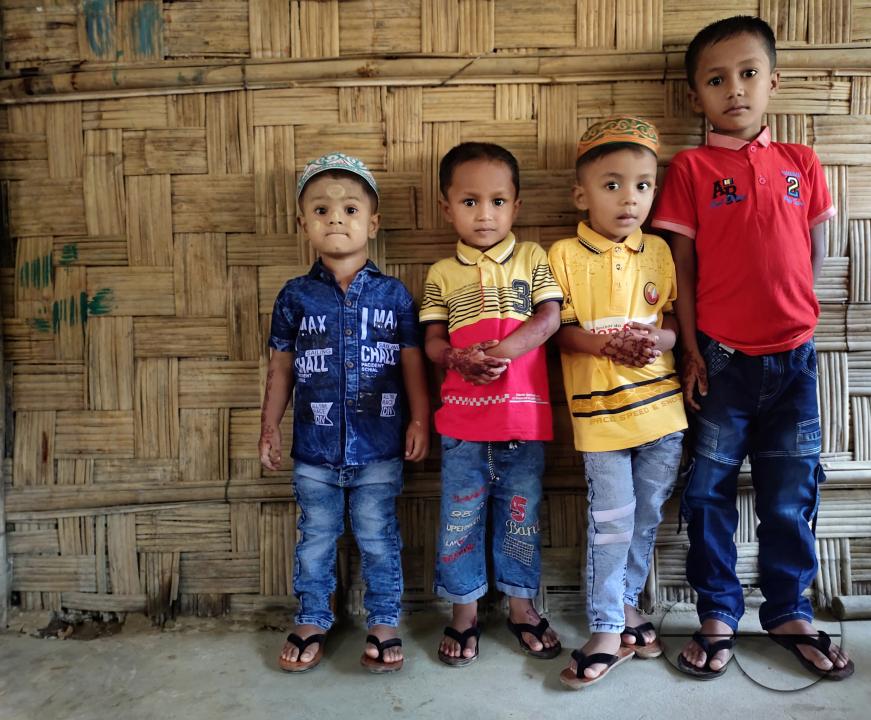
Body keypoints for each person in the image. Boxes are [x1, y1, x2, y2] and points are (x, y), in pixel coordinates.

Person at [651, 15, 853, 680]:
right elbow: (681, 263)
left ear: (772, 80)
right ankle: (716, 612)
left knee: (789, 490)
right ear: (694, 97)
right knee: (707, 489)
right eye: (715, 80)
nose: (733, 89)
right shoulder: (690, 168)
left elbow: (815, 250)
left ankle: (788, 609)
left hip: (794, 359)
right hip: (722, 358)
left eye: (746, 74)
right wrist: (690, 347)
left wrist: (801, 313)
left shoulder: (800, 162)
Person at [259, 152, 430, 674]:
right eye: (321, 209)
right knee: (315, 539)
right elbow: (281, 370)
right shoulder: (294, 297)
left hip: (380, 446)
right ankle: (312, 616)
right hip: (313, 449)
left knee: (379, 536)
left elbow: (412, 366)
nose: (336, 218)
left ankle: (383, 621)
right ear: (302, 222)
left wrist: (420, 419)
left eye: (350, 209)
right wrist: (269, 425)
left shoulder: (394, 294)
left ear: (372, 223)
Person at [547, 116, 687, 689]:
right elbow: (559, 330)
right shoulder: (561, 255)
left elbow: (674, 319)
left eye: (643, 185)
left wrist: (660, 340)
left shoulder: (658, 250)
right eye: (612, 184)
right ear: (581, 193)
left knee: (646, 518)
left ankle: (628, 606)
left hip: (664, 411)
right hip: (601, 419)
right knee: (611, 522)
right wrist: (607, 344)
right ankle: (606, 626)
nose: (629, 198)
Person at [420, 142, 563, 666]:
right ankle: (464, 612)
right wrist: (458, 359)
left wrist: (496, 355)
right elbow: (432, 343)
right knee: (460, 517)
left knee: (520, 517)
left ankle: (521, 606)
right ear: (447, 208)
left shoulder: (533, 258)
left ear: (516, 206)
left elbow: (548, 320)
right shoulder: (441, 273)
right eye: (471, 201)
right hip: (461, 424)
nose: (486, 214)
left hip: (522, 419)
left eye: (499, 201)